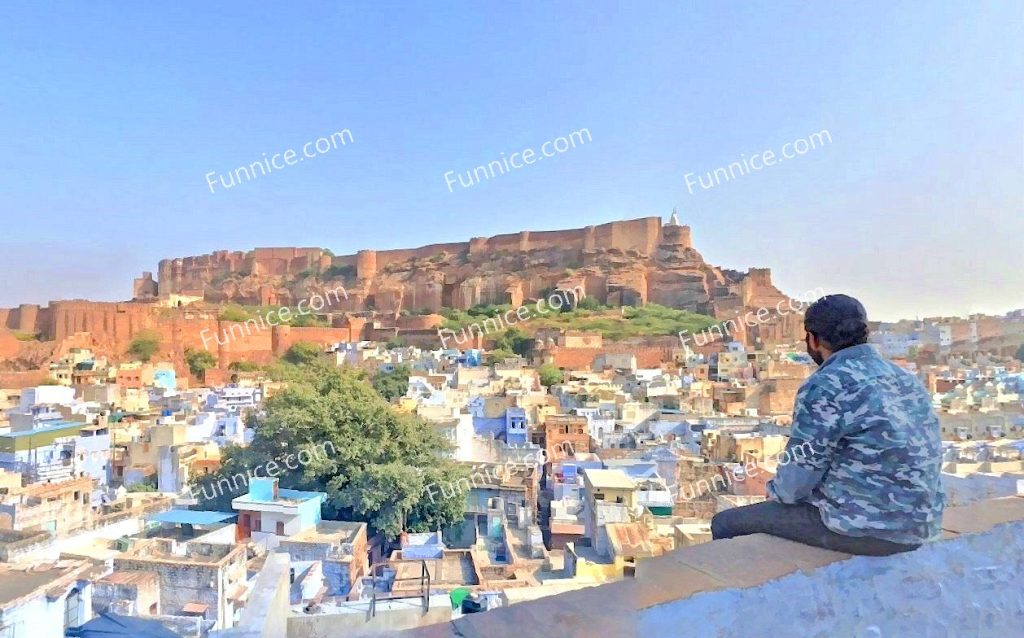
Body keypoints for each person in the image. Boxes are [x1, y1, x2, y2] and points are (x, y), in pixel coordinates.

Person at [710, 294, 944, 556]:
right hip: (921, 525)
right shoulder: (904, 377)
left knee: (725, 523)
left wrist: (776, 493)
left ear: (813, 339)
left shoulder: (827, 383)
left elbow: (797, 479)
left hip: (869, 530)